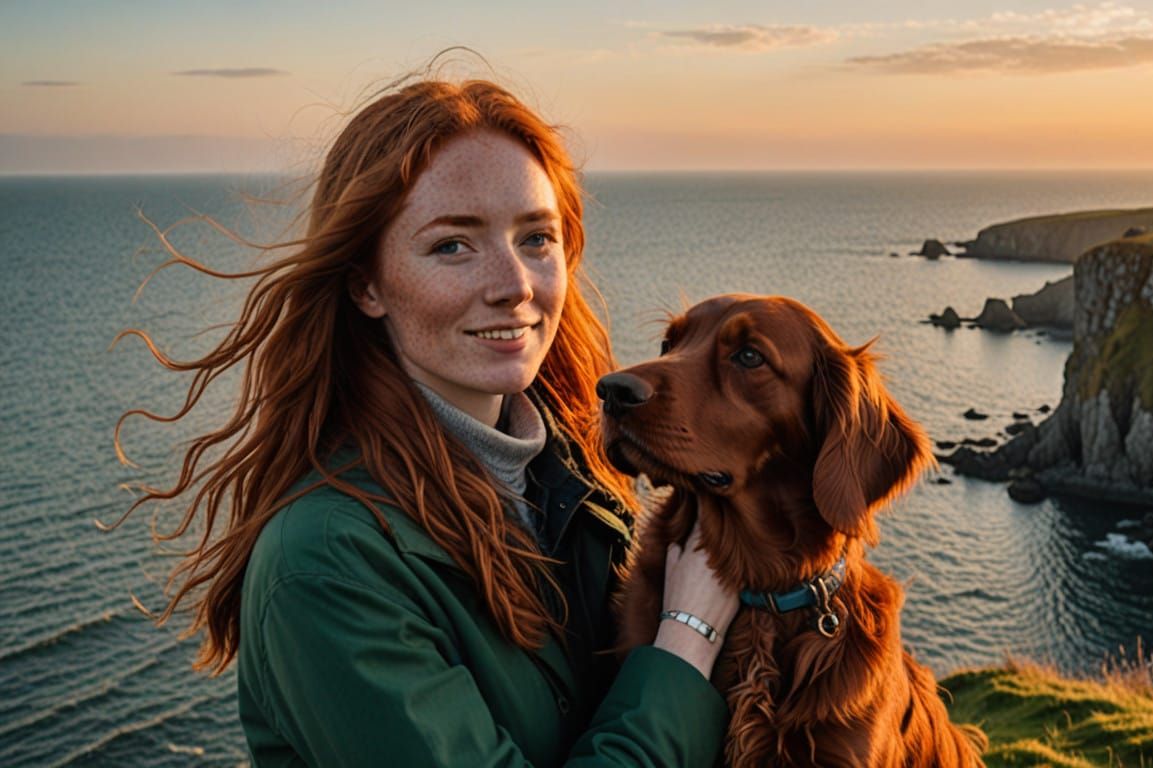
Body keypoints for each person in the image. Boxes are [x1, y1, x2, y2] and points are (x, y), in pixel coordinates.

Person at [116, 76, 740, 766]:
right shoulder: (325, 563)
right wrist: (687, 638)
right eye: (452, 246)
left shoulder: (574, 479)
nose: (516, 284)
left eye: (536, 238)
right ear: (366, 284)